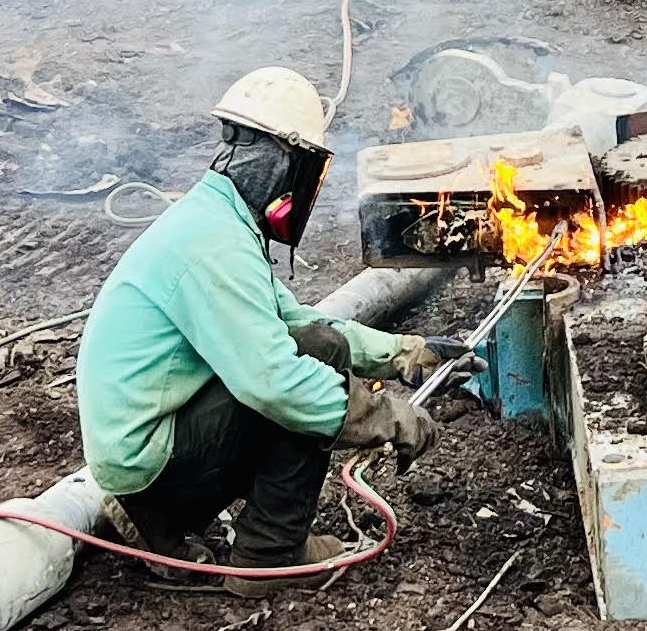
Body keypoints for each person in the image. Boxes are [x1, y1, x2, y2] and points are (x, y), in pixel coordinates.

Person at [75, 65, 436, 569]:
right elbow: (274, 382)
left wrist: (404, 354)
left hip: (142, 458)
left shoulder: (215, 221)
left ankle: (172, 531)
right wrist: (389, 418)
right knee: (308, 369)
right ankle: (270, 554)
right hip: (149, 472)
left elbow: (297, 319)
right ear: (281, 160)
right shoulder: (214, 245)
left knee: (319, 345)